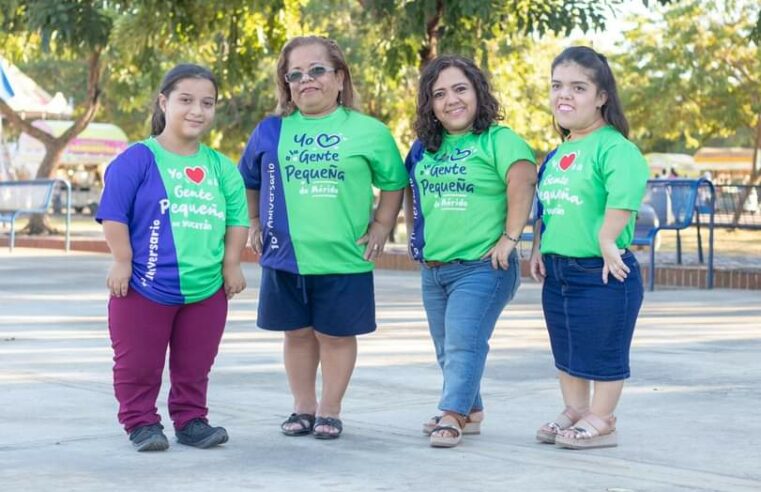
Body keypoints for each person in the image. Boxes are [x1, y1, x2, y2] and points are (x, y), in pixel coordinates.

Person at [238, 36, 407, 439]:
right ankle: (303, 408)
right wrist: (255, 220)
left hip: (344, 257)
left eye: (316, 70)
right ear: (286, 85)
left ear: (339, 76)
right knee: (296, 333)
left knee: (335, 335)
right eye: (294, 74)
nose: (305, 80)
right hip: (284, 256)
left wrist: (382, 225)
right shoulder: (269, 131)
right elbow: (249, 180)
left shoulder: (368, 131)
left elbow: (394, 181)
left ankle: (330, 410)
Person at [96, 64, 249, 452]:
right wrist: (122, 260)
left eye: (207, 102)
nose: (197, 110)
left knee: (195, 365)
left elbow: (236, 219)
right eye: (186, 100)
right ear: (164, 102)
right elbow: (114, 213)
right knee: (137, 365)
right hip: (143, 286)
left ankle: (191, 420)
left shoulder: (220, 167)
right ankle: (141, 422)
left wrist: (232, 263)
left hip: (206, 289)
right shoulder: (138, 159)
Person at [404, 55, 537, 448]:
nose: (451, 100)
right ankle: (470, 409)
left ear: (478, 92)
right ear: (430, 104)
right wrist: (416, 240)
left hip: (483, 266)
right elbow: (413, 194)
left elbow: (524, 179)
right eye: (439, 94)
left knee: (464, 340)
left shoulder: (498, 139)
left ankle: (452, 413)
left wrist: (512, 238)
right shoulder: (424, 148)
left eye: (460, 89)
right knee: (449, 346)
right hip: (435, 268)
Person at [530, 46, 649, 449]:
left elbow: (624, 195)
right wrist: (537, 249)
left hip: (601, 270)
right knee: (567, 345)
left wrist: (606, 237)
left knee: (602, 348)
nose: (565, 95)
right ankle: (576, 410)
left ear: (601, 97)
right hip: (559, 270)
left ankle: (603, 419)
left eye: (578, 88)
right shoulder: (561, 150)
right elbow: (548, 207)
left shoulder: (615, 147)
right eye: (557, 86)